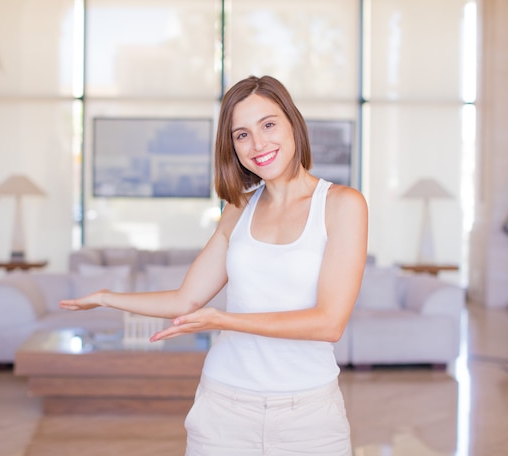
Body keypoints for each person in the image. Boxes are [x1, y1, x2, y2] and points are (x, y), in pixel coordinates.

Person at [60, 75, 368, 455]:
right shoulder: (237, 209)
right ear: (232, 146)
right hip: (224, 406)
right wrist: (107, 297)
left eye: (268, 125)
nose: (258, 144)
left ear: (293, 123)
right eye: (242, 135)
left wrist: (224, 320)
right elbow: (184, 300)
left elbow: (329, 323)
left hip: (308, 413)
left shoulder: (342, 204)